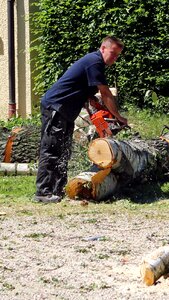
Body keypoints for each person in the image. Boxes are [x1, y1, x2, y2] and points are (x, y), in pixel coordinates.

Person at [35, 36, 128, 203]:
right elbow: (106, 94)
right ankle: (43, 192)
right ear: (103, 48)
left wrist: (98, 114)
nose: (114, 59)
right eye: (113, 54)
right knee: (51, 150)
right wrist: (118, 117)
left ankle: (57, 189)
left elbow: (89, 97)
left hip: (65, 111)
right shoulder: (94, 62)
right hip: (55, 107)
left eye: (117, 56)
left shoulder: (94, 64)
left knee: (64, 151)